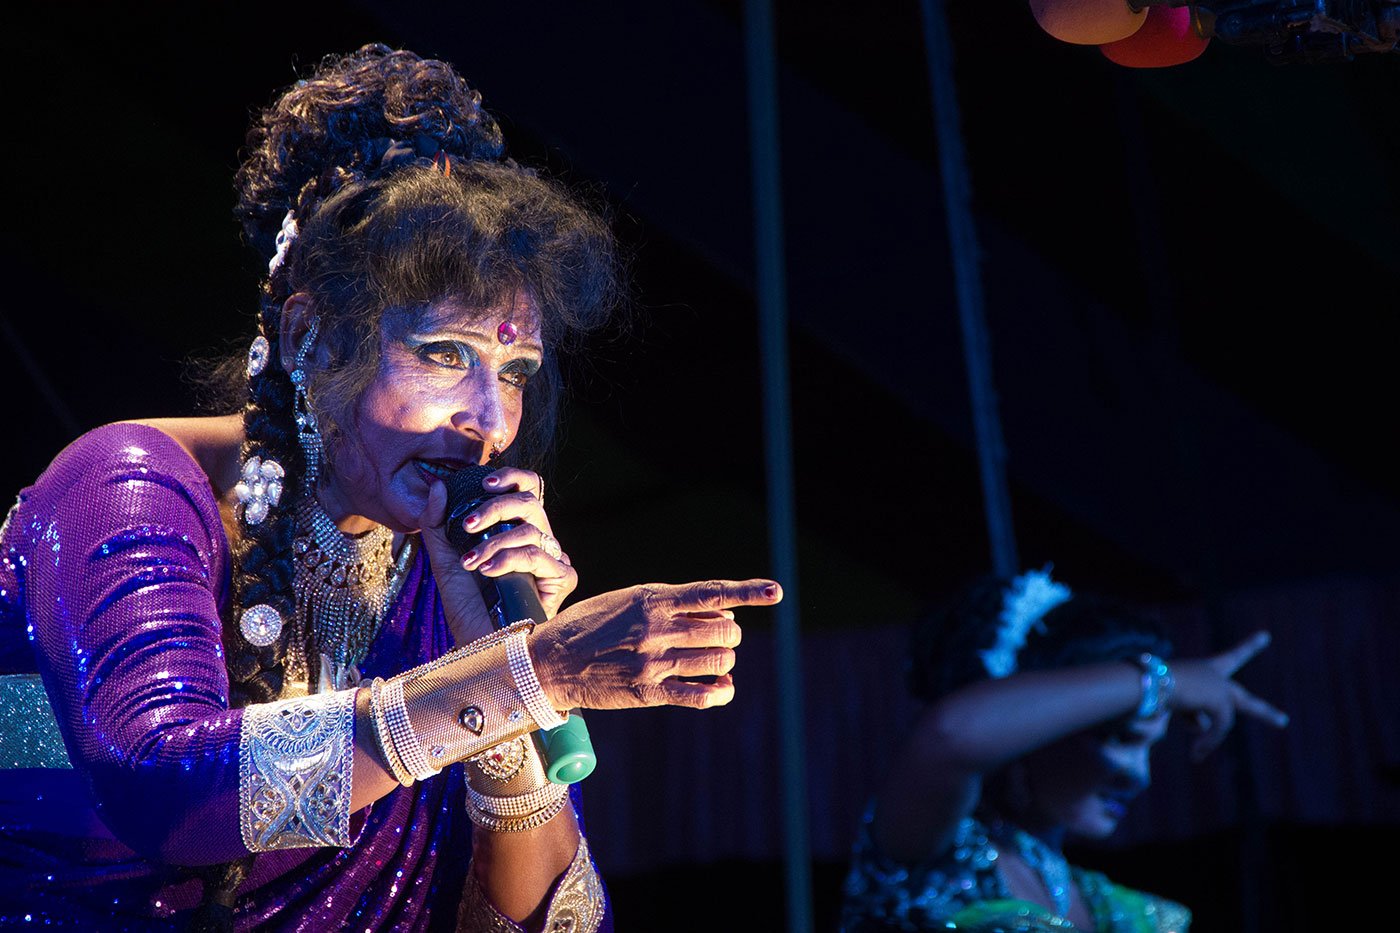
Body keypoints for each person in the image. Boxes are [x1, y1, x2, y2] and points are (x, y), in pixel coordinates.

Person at [0, 44, 781, 931]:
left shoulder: (438, 568)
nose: (488, 419)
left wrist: (496, 675)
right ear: (309, 339)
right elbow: (165, 788)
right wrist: (532, 672)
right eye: (446, 354)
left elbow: (547, 924)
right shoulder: (127, 487)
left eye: (515, 370)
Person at [840, 567, 1288, 932]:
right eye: (1120, 739)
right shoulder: (926, 856)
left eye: (1151, 748)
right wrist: (1161, 681)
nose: (1140, 775)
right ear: (1036, 728)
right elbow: (951, 736)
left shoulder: (1117, 911)